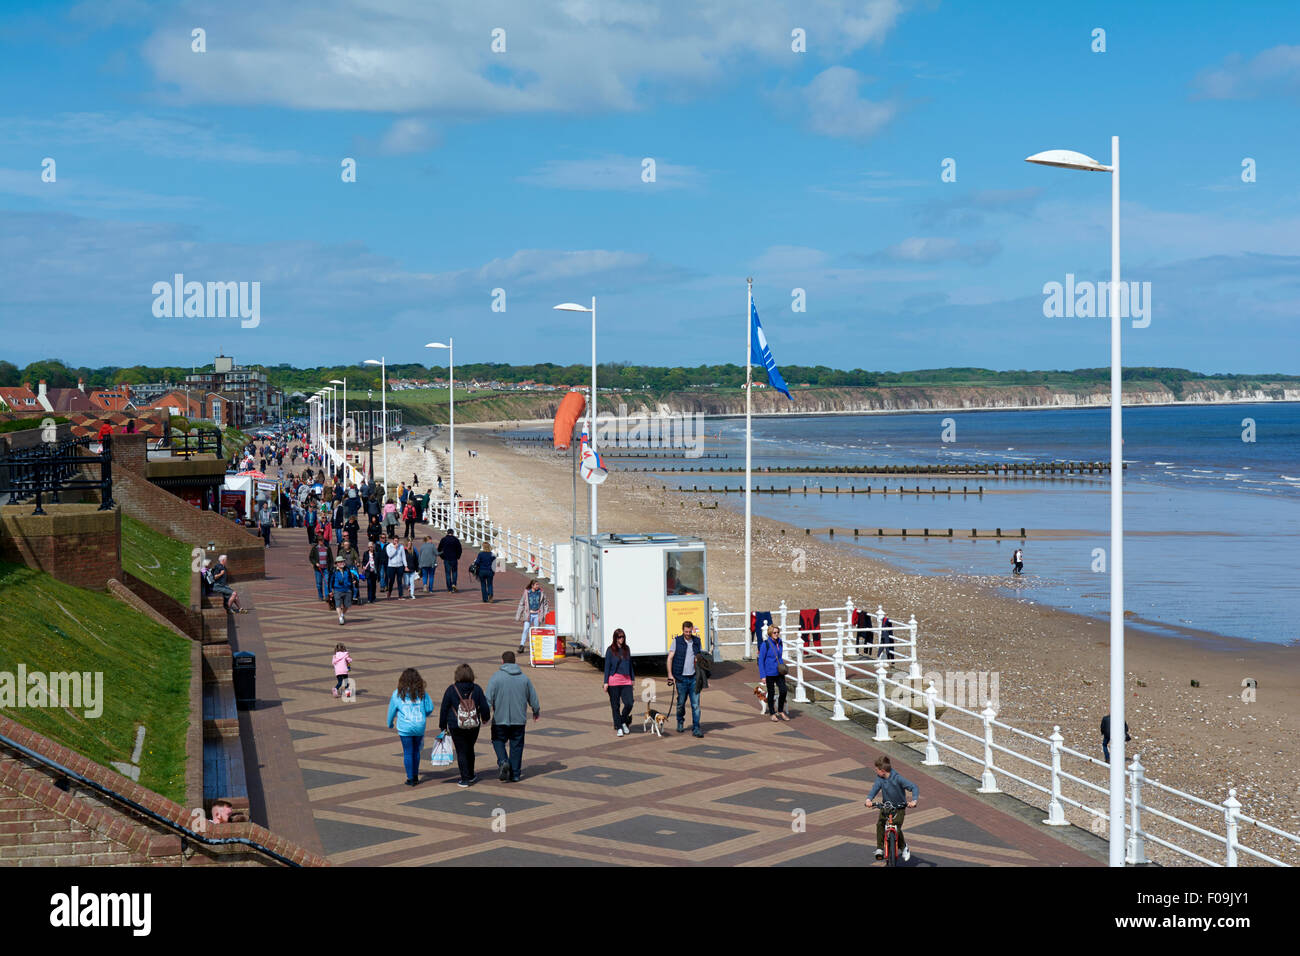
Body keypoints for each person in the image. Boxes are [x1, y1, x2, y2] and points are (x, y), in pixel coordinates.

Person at [486, 651, 540, 783]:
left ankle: (503, 761)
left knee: (497, 740)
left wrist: (485, 715)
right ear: (515, 661)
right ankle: (515, 774)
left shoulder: (495, 677)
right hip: (519, 720)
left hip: (500, 719)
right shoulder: (524, 678)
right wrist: (536, 711)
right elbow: (533, 698)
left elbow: (487, 698)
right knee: (517, 745)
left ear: (502, 662)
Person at [438, 664, 492, 788]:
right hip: (473, 724)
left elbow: (444, 708)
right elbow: (484, 705)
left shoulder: (451, 689)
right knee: (470, 748)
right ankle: (471, 774)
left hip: (456, 724)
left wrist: (442, 725)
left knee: (461, 750)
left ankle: (465, 778)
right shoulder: (476, 689)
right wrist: (485, 718)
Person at [865, 755, 918, 863]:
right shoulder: (880, 778)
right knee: (880, 824)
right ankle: (880, 848)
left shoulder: (898, 778)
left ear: (883, 771)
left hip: (899, 808)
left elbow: (914, 787)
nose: (876, 772)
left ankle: (904, 847)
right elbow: (875, 788)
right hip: (886, 807)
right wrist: (869, 799)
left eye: (877, 770)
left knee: (896, 827)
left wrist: (914, 801)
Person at [386, 668, 434, 786]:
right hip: (419, 726)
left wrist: (390, 723)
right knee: (416, 751)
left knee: (407, 752)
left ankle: (410, 778)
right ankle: (416, 775)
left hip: (405, 727)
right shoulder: (422, 693)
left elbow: (392, 711)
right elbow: (429, 708)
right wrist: (424, 714)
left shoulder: (397, 694)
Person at [667, 621, 704, 737]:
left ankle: (696, 728)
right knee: (680, 703)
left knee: (696, 705)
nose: (688, 634)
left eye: (690, 631)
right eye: (686, 631)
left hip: (694, 678)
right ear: (682, 630)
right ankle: (680, 721)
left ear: (692, 630)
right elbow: (669, 659)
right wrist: (670, 675)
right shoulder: (676, 641)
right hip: (680, 678)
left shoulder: (697, 641)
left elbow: (699, 657)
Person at [602, 628, 635, 737]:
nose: (621, 639)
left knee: (629, 702)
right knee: (615, 706)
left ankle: (622, 720)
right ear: (615, 638)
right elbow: (607, 667)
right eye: (619, 637)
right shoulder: (610, 650)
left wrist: (632, 679)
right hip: (614, 681)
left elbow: (630, 665)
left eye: (623, 637)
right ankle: (619, 727)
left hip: (626, 680)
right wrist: (605, 682)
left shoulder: (627, 649)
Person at [757, 623, 789, 722]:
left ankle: (780, 710)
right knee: (771, 693)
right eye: (774, 632)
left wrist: (783, 666)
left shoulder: (780, 642)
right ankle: (772, 713)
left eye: (778, 632)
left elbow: (779, 657)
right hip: (769, 673)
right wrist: (763, 676)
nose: (776, 634)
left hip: (779, 672)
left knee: (784, 690)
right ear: (770, 633)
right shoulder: (765, 644)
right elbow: (761, 660)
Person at [514, 579, 549, 654]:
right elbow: (521, 603)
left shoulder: (541, 593)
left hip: (538, 614)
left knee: (536, 631)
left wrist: (546, 614)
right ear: (532, 585)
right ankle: (522, 645)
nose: (538, 586)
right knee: (526, 629)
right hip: (528, 614)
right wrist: (518, 615)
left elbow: (545, 604)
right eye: (536, 585)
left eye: (538, 584)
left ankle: (535, 645)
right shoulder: (527, 592)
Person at [330, 557, 354, 625]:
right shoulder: (334, 571)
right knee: (338, 605)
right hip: (337, 590)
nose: (342, 563)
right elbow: (330, 581)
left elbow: (350, 579)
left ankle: (342, 614)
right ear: (337, 563)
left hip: (347, 589)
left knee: (347, 605)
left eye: (343, 561)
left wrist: (351, 588)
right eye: (340, 562)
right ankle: (340, 618)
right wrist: (330, 590)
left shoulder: (347, 569)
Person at [438, 527, 462, 592]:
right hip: (454, 558)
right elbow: (459, 549)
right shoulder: (456, 540)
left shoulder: (443, 539)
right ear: (452, 533)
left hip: (446, 558)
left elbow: (439, 549)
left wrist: (442, 556)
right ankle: (454, 584)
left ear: (447, 533)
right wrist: (458, 556)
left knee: (448, 573)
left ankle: (449, 588)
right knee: (454, 572)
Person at [385, 534, 407, 599]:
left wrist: (405, 565)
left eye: (397, 541)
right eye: (395, 541)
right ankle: (389, 591)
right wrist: (395, 548)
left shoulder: (401, 547)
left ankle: (400, 595)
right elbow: (390, 555)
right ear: (393, 541)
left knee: (399, 581)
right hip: (391, 566)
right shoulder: (389, 546)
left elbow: (403, 557)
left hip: (399, 566)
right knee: (391, 580)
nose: (396, 542)